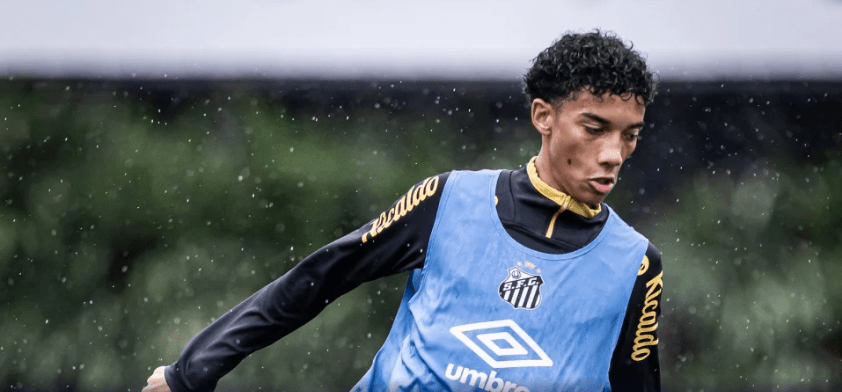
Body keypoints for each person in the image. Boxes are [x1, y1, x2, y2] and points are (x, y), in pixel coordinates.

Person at [143, 30, 663, 392]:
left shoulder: (636, 265)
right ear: (543, 117)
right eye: (594, 128)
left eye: (630, 135)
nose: (614, 153)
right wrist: (191, 372)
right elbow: (318, 278)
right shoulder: (449, 200)